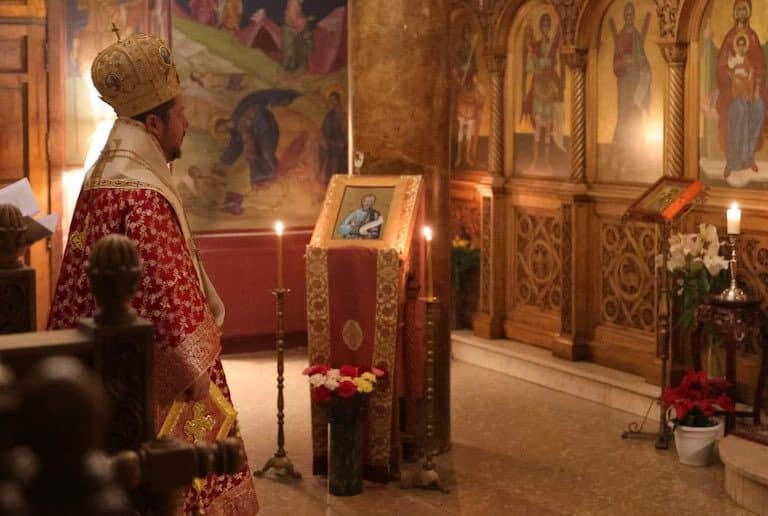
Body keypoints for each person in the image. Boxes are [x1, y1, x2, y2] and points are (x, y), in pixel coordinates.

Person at [47, 30, 259, 515]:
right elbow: (166, 289)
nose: (187, 124)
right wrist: (193, 368)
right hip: (145, 375)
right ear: (155, 121)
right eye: (181, 115)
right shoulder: (142, 191)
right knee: (181, 480)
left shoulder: (105, 175)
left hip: (97, 359)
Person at [716, 0, 767, 178]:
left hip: (751, 88)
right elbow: (721, 65)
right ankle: (732, 161)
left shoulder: (752, 37)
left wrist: (756, 87)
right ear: (734, 12)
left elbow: (760, 65)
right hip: (732, 91)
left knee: (759, 108)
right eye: (738, 10)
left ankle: (748, 157)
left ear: (750, 13)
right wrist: (731, 76)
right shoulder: (729, 38)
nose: (741, 14)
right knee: (738, 109)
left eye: (745, 10)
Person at [608, 2, 651, 173]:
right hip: (624, 84)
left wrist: (642, 67)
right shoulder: (619, 38)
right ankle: (618, 158)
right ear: (624, 17)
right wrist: (624, 62)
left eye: (632, 14)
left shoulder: (638, 37)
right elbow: (615, 65)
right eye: (627, 14)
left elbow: (643, 61)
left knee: (636, 118)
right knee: (624, 118)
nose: (629, 17)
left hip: (635, 83)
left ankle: (636, 159)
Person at [521, 13, 564, 173]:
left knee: (548, 127)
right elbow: (529, 67)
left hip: (550, 86)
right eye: (544, 25)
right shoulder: (536, 46)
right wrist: (536, 66)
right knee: (538, 126)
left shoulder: (552, 46)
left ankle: (547, 162)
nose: (546, 28)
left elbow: (558, 63)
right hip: (538, 87)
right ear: (541, 27)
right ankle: (534, 160)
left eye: (548, 25)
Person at [319, 91, 348, 184]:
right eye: (331, 100)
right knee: (333, 165)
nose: (333, 102)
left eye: (334, 100)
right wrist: (333, 142)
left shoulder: (344, 113)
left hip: (343, 144)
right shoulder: (329, 116)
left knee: (343, 165)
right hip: (333, 145)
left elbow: (347, 129)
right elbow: (325, 131)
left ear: (338, 100)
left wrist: (344, 141)